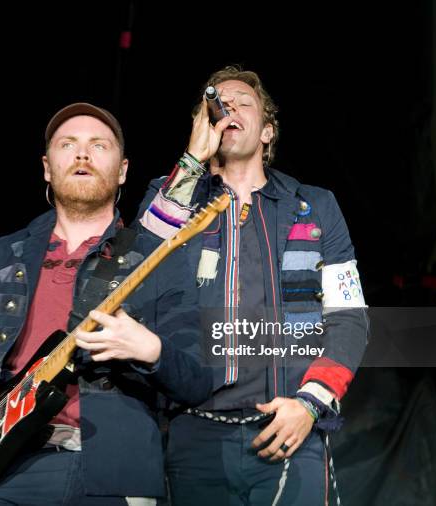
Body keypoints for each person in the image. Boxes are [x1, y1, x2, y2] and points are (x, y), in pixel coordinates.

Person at [0, 102, 212, 505]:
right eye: (68, 144)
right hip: (7, 471)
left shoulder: (157, 257)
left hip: (116, 474)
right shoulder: (3, 254)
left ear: (122, 171)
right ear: (47, 167)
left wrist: (150, 350)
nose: (82, 154)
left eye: (99, 145)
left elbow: (199, 379)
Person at [137, 66, 369, 505]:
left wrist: (310, 403)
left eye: (243, 103)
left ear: (267, 131)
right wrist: (191, 163)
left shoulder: (314, 206)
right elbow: (137, 274)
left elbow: (349, 318)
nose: (229, 110)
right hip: (194, 431)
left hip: (290, 426)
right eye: (217, 106)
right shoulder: (171, 196)